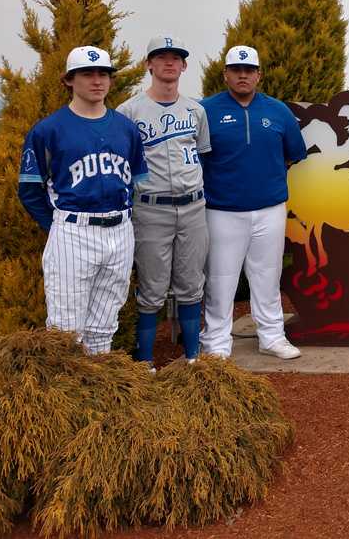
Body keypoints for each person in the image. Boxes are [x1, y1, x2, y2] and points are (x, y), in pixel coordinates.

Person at [17, 45, 147, 353]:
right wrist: (58, 227)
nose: (97, 80)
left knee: (104, 326)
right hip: (73, 229)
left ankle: (98, 380)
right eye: (87, 74)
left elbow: (136, 183)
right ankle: (65, 385)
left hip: (120, 230)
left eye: (103, 74)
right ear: (68, 80)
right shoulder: (48, 130)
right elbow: (30, 191)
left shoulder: (126, 128)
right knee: (65, 330)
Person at [199, 45, 308, 359]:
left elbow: (294, 153)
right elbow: (196, 159)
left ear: (259, 74)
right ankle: (216, 342)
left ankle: (272, 337)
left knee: (268, 275)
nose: (243, 75)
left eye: (249, 70)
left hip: (269, 208)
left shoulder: (277, 110)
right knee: (221, 279)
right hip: (221, 209)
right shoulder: (205, 110)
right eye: (236, 70)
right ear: (226, 74)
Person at [117, 35, 210, 369]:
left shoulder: (196, 110)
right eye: (161, 57)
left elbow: (202, 156)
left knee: (191, 283)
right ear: (149, 64)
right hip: (151, 207)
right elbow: (121, 164)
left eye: (176, 58)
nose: (169, 62)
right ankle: (145, 361)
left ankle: (192, 358)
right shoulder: (128, 111)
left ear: (183, 66)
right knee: (152, 287)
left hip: (193, 206)